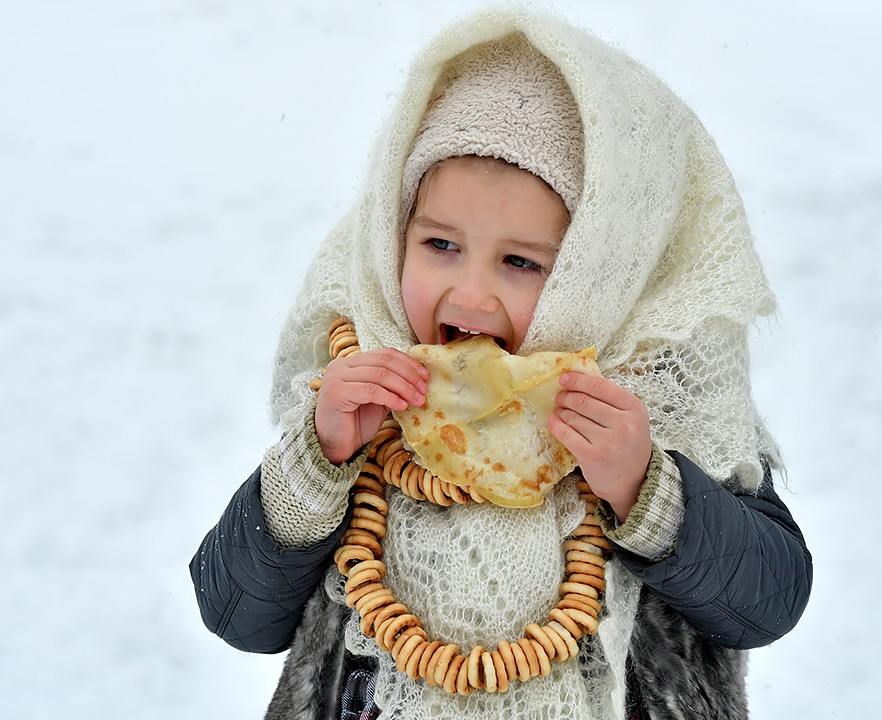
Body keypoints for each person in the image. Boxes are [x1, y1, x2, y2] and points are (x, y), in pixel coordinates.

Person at [190, 8, 812, 720]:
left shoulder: (651, 405)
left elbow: (768, 603)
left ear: (599, 272)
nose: (470, 292)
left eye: (521, 262)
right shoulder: (366, 398)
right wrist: (315, 462)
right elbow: (237, 614)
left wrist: (648, 490)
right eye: (439, 246)